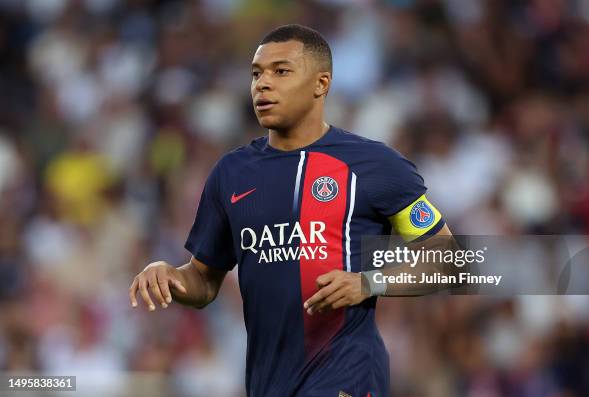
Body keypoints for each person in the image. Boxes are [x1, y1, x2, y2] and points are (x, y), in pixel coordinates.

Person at [129, 24, 453, 397]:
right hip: (269, 382)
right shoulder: (231, 174)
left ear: (321, 84)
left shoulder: (374, 165)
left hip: (347, 372)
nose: (262, 84)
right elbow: (204, 281)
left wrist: (368, 282)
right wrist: (169, 276)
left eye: (280, 71)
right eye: (256, 74)